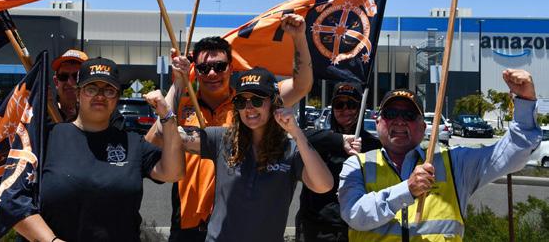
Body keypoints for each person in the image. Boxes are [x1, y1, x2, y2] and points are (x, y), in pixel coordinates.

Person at [145, 13, 313, 242]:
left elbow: (301, 86)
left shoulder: (250, 105)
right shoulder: (181, 105)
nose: (212, 73)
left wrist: (299, 38)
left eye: (219, 66)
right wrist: (179, 81)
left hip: (235, 225)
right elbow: (154, 140)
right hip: (188, 223)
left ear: (231, 67)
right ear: (196, 70)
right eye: (204, 68)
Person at [339, 69, 542, 241]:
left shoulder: (454, 162)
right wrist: (407, 190)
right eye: (391, 114)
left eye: (409, 115)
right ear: (377, 122)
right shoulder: (357, 165)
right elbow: (354, 214)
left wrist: (525, 102)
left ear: (423, 126)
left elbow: (512, 153)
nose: (399, 121)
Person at [147, 67, 333, 241]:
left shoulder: (290, 149)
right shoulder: (222, 139)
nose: (249, 108)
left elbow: (323, 185)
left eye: (257, 100)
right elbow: (166, 136)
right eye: (241, 102)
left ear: (274, 103)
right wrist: (169, 102)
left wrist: (296, 132)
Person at [14, 57, 185, 242]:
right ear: (78, 94)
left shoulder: (133, 143)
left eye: (109, 90)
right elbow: (13, 200)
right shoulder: (45, 140)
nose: (100, 96)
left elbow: (173, 172)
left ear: (117, 98)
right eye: (91, 89)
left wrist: (167, 116)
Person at [296, 82, 381, 242]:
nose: (345, 110)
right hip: (316, 228)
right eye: (339, 105)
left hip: (354, 229)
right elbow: (298, 136)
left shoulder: (373, 145)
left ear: (360, 108)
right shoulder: (321, 139)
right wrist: (339, 140)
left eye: (351, 105)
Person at [51, 49, 88, 121]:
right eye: (63, 76)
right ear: (56, 82)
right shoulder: (43, 117)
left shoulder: (103, 118)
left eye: (77, 76)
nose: (70, 83)